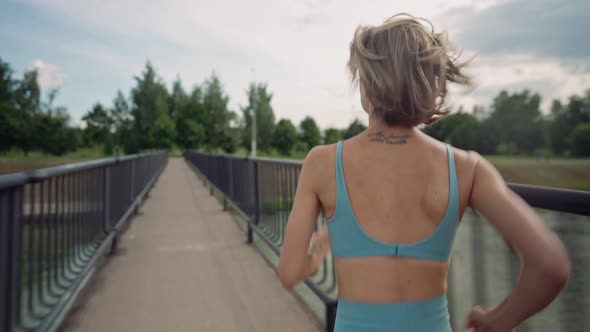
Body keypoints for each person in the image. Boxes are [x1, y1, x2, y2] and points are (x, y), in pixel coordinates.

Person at [277, 13, 570, 332]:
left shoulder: (322, 162)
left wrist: (321, 246)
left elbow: (290, 272)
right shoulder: (466, 168)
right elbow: (550, 265)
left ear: (369, 84)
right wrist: (498, 320)